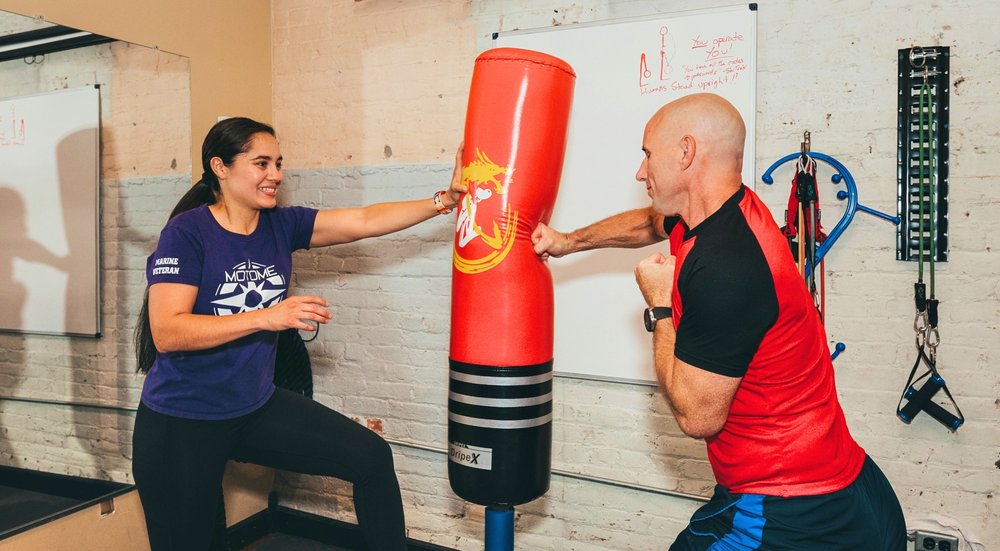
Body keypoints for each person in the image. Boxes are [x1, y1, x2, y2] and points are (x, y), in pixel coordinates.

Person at [532, 93, 906, 549]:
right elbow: (648, 224)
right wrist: (568, 241)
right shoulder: (721, 213)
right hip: (846, 483)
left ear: (685, 152)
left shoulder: (726, 265)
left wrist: (659, 305)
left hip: (792, 508)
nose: (640, 172)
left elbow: (697, 416)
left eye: (648, 154)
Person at [132, 117, 465, 551]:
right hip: (182, 423)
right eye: (262, 163)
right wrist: (265, 317)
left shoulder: (280, 225)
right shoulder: (186, 233)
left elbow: (365, 220)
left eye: (278, 163)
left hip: (252, 407)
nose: (276, 174)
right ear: (220, 167)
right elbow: (168, 332)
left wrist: (444, 200)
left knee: (370, 459)